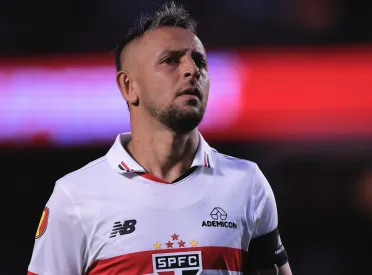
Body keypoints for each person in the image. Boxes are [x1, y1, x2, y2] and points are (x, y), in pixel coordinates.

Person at [27, 2, 292, 275]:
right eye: (170, 60)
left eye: (199, 60)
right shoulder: (75, 196)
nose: (192, 70)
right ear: (129, 87)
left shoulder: (248, 184)